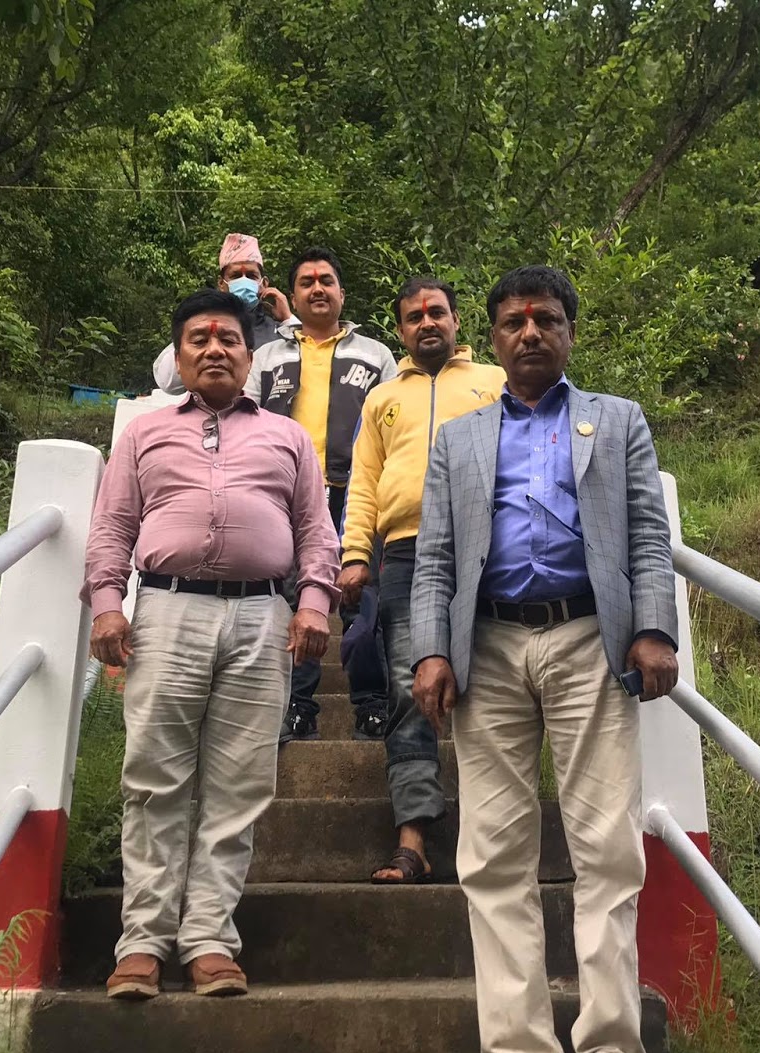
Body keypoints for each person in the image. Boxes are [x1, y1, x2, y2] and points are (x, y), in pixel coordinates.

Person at [410, 266, 679, 1053]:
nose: (530, 332)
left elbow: (647, 534)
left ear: (569, 331)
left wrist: (654, 629)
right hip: (486, 648)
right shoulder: (457, 438)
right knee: (492, 856)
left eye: (547, 319)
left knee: (606, 846)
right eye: (515, 321)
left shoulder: (618, 420)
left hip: (589, 642)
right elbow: (435, 556)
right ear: (491, 338)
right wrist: (431, 649)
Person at [84, 288, 338, 1001]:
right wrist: (107, 606)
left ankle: (209, 941)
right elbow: (113, 525)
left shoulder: (288, 437)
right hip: (168, 612)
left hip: (261, 617)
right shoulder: (144, 434)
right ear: (179, 356)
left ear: (250, 357)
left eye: (228, 339)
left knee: (240, 785)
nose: (215, 349)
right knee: (153, 778)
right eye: (199, 339)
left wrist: (313, 602)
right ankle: (142, 943)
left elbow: (316, 530)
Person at [337, 276, 500, 883]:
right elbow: (363, 482)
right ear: (401, 330)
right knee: (411, 689)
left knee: (496, 685)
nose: (427, 322)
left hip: (489, 549)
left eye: (437, 312)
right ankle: (412, 840)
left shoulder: (495, 382)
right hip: (404, 553)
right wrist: (356, 553)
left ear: (456, 320)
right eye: (414, 316)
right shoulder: (381, 399)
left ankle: (497, 839)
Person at [251, 247, 396, 741]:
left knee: (364, 602)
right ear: (292, 297)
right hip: (284, 496)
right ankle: (298, 706)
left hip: (357, 493)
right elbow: (245, 419)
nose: (317, 288)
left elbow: (394, 425)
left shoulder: (375, 355)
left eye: (326, 280)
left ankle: (372, 704)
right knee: (294, 600)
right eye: (307, 281)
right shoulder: (266, 357)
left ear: (341, 293)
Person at [151, 233, 293, 393]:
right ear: (221, 283)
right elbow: (167, 382)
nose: (244, 281)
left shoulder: (279, 332)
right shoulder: (203, 325)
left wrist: (288, 320)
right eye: (236, 276)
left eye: (251, 276)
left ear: (264, 284)